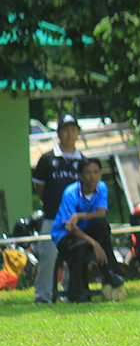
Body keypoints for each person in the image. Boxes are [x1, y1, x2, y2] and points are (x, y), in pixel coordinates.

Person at [49, 158, 125, 303]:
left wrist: (79, 215)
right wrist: (94, 243)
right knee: (80, 246)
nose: (92, 176)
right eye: (88, 173)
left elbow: (102, 212)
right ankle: (77, 293)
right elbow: (70, 227)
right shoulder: (70, 193)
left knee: (101, 224)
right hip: (66, 235)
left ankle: (109, 272)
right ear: (81, 176)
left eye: (96, 172)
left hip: (87, 231)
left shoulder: (101, 187)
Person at [32, 113, 86, 303]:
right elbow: (40, 187)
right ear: (59, 133)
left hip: (76, 220)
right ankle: (43, 295)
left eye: (73, 130)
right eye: (65, 130)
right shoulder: (47, 159)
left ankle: (72, 293)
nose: (69, 134)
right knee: (48, 255)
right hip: (52, 217)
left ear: (78, 133)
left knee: (77, 255)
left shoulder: (83, 161)